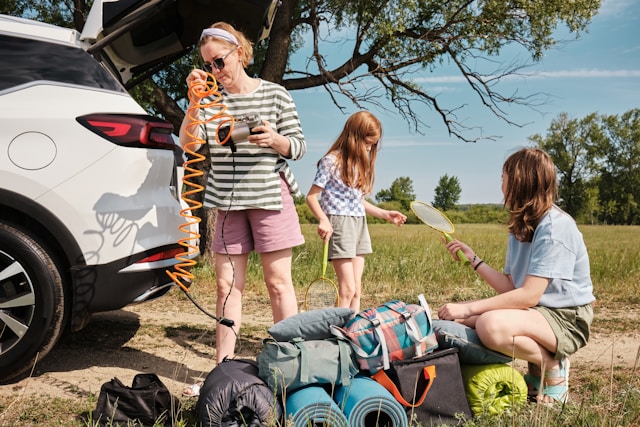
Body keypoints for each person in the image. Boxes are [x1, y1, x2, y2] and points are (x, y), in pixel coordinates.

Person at [179, 22, 306, 395]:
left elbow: (298, 146)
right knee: (226, 288)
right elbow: (189, 144)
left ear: (241, 54)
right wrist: (194, 101)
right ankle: (221, 375)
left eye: (220, 61)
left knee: (278, 284)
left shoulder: (276, 95)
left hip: (270, 198)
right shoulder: (211, 101)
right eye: (209, 65)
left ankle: (294, 371)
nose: (216, 71)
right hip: (227, 204)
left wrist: (276, 140)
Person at [437, 147, 595, 404]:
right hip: (540, 312)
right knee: (466, 316)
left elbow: (529, 295)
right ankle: (537, 369)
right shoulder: (521, 225)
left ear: (521, 182)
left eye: (504, 178)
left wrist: (468, 310)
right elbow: (511, 286)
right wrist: (474, 260)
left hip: (567, 317)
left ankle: (552, 365)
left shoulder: (555, 226)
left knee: (488, 324)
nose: (501, 185)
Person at [306, 111, 407, 313]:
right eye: (367, 143)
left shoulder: (359, 164)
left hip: (359, 223)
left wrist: (386, 214)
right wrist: (323, 220)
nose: (369, 148)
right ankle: (339, 334)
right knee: (347, 289)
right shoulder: (331, 161)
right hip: (339, 224)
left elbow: (358, 202)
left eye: (373, 145)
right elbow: (311, 197)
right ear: (354, 137)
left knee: (357, 289)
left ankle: (354, 331)